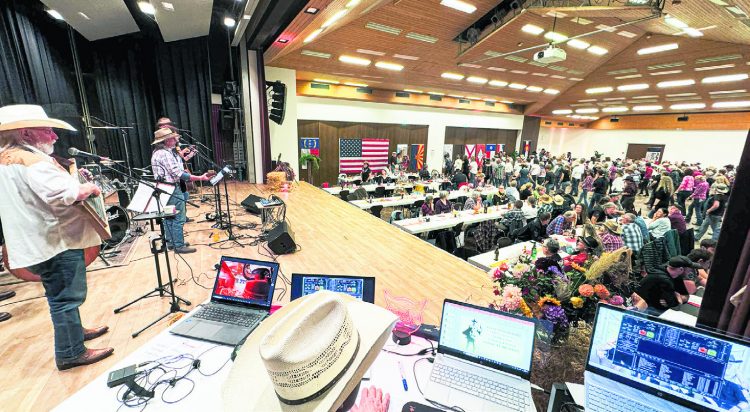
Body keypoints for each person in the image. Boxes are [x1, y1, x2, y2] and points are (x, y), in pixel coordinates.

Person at [0, 104, 113, 370]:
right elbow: (66, 195)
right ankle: (71, 351)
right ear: (26, 134)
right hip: (55, 243)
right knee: (65, 298)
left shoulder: (6, 159)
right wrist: (87, 187)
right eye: (48, 130)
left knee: (58, 294)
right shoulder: (34, 162)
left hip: (33, 243)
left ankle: (74, 333)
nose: (54, 136)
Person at [151, 127, 211, 253]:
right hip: (171, 188)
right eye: (173, 138)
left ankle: (172, 243)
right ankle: (179, 245)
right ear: (166, 141)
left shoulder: (158, 152)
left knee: (169, 217)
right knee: (178, 217)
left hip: (163, 188)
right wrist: (199, 178)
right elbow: (177, 174)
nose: (175, 139)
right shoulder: (165, 154)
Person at [632, 256, 701, 314]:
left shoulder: (672, 273)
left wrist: (677, 297)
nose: (691, 271)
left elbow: (685, 296)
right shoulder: (664, 280)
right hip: (643, 309)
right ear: (681, 269)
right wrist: (677, 298)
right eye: (689, 269)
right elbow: (673, 304)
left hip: (652, 305)